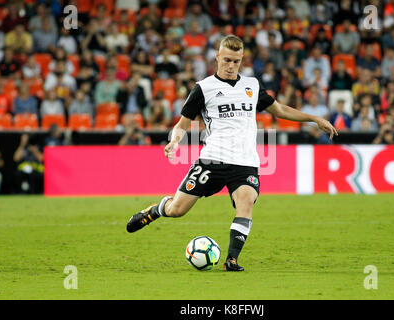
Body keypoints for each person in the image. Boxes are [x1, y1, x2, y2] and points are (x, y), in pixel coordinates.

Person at [125, 35, 337, 271]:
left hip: (245, 162)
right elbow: (182, 124)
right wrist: (175, 141)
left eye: (236, 61)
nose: (230, 66)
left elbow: (280, 110)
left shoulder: (252, 86)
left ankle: (232, 260)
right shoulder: (204, 88)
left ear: (241, 60)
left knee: (246, 201)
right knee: (177, 210)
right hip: (212, 160)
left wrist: (315, 118)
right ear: (217, 57)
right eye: (226, 60)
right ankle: (154, 211)